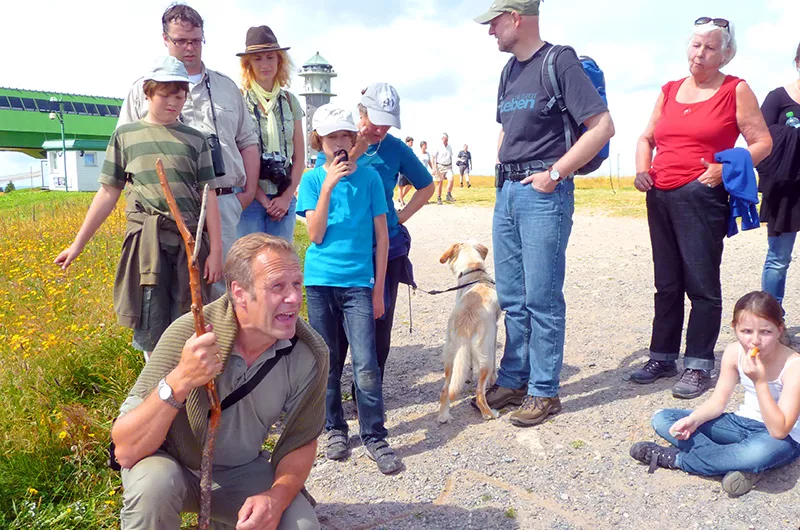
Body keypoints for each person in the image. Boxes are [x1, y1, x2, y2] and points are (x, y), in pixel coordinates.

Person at [111, 233, 327, 530]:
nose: (293, 298)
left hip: (239, 471)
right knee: (153, 489)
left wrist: (276, 497)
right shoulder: (192, 335)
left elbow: (302, 440)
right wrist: (182, 378)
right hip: (172, 464)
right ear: (239, 292)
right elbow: (124, 449)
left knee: (300, 526)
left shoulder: (309, 353)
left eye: (296, 284)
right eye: (277, 286)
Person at [473, 0, 614, 427]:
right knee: (513, 298)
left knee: (542, 298)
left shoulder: (560, 61)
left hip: (543, 195)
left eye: (495, 22)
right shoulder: (509, 71)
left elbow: (603, 126)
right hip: (509, 193)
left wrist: (554, 174)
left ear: (516, 17)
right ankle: (515, 378)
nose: (490, 31)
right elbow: (506, 129)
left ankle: (544, 391)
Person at [630, 17, 772, 399]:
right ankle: (662, 357)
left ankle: (698, 364)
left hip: (701, 195)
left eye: (710, 47)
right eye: (696, 45)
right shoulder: (670, 89)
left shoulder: (735, 89)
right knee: (667, 282)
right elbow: (646, 137)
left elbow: (762, 142)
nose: (700, 53)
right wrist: (642, 169)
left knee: (702, 284)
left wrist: (724, 169)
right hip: (659, 194)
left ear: (726, 53)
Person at [55, 57, 222, 361]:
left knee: (190, 321)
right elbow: (107, 192)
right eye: (165, 94)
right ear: (148, 92)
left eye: (180, 94)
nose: (174, 102)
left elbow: (209, 196)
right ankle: (155, 394)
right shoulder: (126, 136)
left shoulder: (196, 140)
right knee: (150, 323)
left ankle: (190, 397)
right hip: (147, 247)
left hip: (190, 249)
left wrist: (216, 251)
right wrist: (77, 244)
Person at [117, 3, 260, 299]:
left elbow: (248, 141)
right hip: (165, 214)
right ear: (165, 39)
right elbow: (125, 152)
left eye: (196, 40)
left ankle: (226, 347)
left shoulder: (226, 87)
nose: (190, 48)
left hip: (222, 201)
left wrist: (245, 194)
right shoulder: (141, 91)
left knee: (226, 290)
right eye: (181, 41)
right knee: (166, 293)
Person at [297, 104, 400, 475]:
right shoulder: (311, 180)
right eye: (331, 137)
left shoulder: (370, 178)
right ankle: (334, 428)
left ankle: (375, 435)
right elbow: (315, 234)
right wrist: (327, 185)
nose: (339, 143)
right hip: (320, 281)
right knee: (326, 361)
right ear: (319, 141)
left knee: (366, 364)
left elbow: (383, 238)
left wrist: (377, 291)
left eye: (344, 135)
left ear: (353, 138)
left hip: (359, 281)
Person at [317, 83, 434, 388]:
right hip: (344, 251)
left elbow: (427, 185)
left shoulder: (395, 148)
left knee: (379, 324)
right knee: (339, 330)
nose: (380, 129)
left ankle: (367, 393)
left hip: (387, 247)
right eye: (376, 120)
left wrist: (401, 216)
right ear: (362, 112)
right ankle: (330, 396)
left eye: (388, 122)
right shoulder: (337, 141)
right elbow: (322, 186)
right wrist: (355, 149)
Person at [630, 291, 800, 498]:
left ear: (779, 329)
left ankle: (678, 460)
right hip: (740, 423)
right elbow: (718, 401)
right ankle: (739, 465)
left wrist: (760, 382)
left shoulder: (794, 366)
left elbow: (779, 430)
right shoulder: (733, 352)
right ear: (735, 329)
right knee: (664, 418)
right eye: (746, 331)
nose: (755, 341)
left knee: (758, 453)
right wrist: (694, 420)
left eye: (766, 332)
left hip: (781, 437)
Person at [236, 25, 305, 243]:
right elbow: (237, 157)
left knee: (280, 265)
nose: (265, 64)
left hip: (283, 194)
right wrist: (264, 200)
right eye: (257, 59)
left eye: (270, 57)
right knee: (249, 264)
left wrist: (285, 198)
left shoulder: (290, 102)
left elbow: (300, 157)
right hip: (250, 197)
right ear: (248, 64)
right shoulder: (239, 100)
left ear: (279, 61)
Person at [757, 41, 800, 320]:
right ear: (797, 61)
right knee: (778, 259)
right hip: (786, 192)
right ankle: (771, 320)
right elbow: (759, 142)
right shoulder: (777, 97)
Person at [433, 132, 455, 204]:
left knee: (451, 179)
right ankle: (439, 198)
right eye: (444, 139)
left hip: (448, 166)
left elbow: (451, 157)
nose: (446, 141)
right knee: (439, 182)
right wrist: (434, 168)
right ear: (442, 139)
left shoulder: (449, 147)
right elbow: (433, 157)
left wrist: (451, 167)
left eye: (447, 139)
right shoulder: (438, 146)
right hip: (440, 166)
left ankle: (448, 194)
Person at [397, 137, 414, 207]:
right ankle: (401, 201)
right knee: (401, 186)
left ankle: (401, 197)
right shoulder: (403, 148)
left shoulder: (411, 150)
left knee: (410, 185)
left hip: (408, 170)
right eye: (411, 142)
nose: (412, 143)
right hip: (402, 169)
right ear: (408, 142)